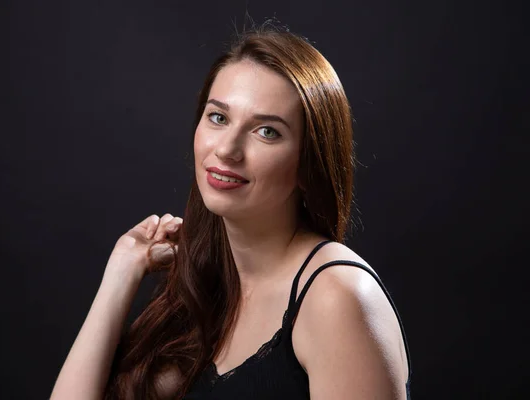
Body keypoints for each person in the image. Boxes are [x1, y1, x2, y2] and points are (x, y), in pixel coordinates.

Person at [51, 22, 412, 400]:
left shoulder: (336, 297)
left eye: (267, 131)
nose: (227, 149)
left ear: (310, 164)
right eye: (218, 118)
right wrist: (120, 274)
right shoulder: (203, 289)